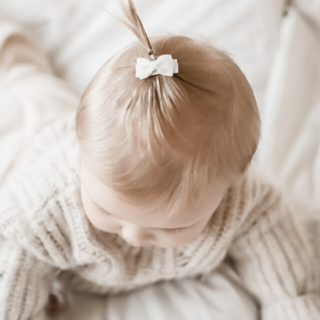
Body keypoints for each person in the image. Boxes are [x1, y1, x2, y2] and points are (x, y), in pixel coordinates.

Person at [0, 1, 319, 319]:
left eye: (174, 225)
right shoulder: (40, 212)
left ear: (233, 182)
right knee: (19, 71)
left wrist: (293, 308)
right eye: (107, 209)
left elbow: (284, 274)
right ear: (82, 153)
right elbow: (13, 276)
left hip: (76, 127)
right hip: (24, 135)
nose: (135, 236)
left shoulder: (243, 203)